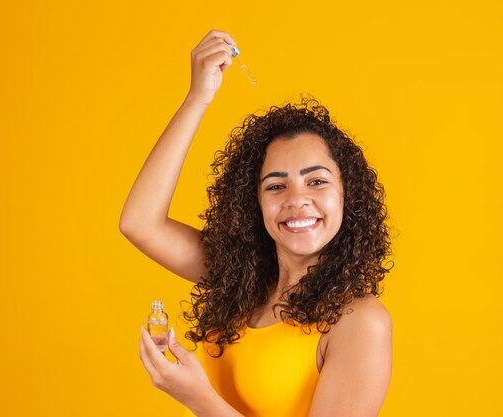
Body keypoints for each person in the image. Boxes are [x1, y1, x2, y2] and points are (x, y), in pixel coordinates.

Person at [120, 29, 393, 417]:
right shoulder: (242, 283)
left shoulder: (359, 321)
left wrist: (199, 400)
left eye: (316, 181)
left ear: (349, 195)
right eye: (276, 185)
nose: (297, 200)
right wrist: (199, 97)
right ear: (255, 203)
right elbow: (139, 223)